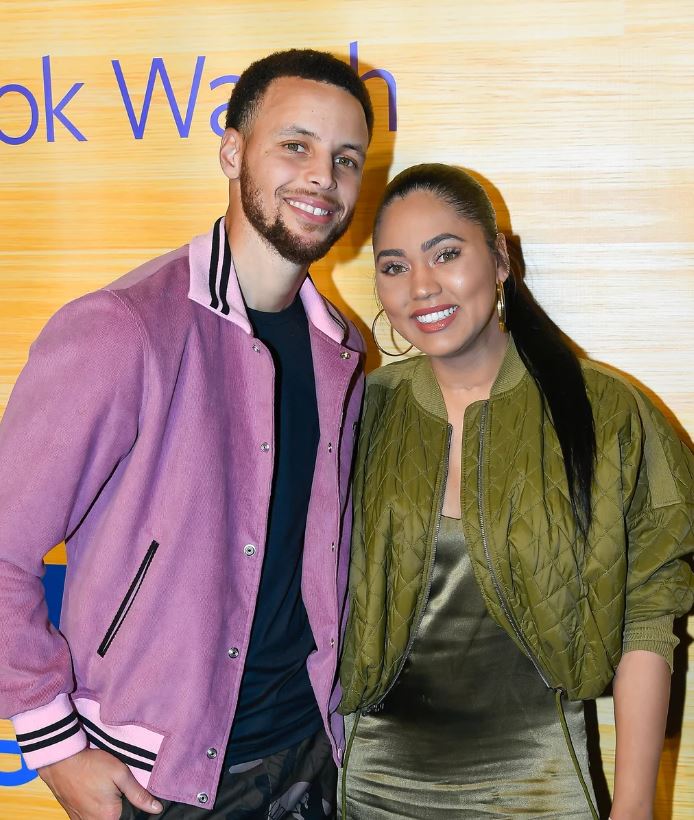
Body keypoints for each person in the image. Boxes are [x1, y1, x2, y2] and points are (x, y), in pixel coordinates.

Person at [0, 49, 372, 820]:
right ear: (233, 150)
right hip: (158, 780)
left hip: (311, 757)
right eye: (294, 145)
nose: (321, 178)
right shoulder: (124, 329)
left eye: (345, 159)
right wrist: (53, 743)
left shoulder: (342, 350)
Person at [337, 164, 694, 819]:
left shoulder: (604, 409)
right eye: (393, 267)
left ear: (500, 259)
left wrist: (636, 802)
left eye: (446, 254)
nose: (422, 287)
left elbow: (652, 609)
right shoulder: (359, 414)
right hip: (370, 789)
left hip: (540, 787)